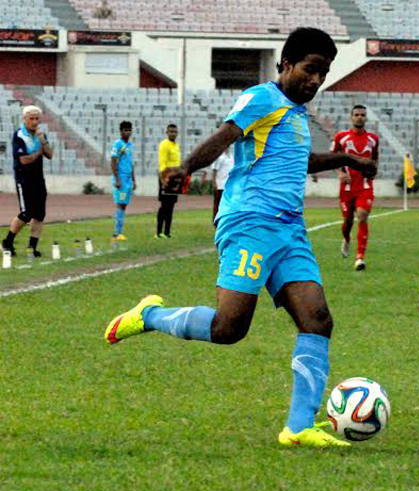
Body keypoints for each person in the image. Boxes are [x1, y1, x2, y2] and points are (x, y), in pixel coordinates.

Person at [104, 27, 377, 448]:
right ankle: (148, 316)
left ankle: (299, 427)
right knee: (229, 327)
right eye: (310, 70)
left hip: (289, 230)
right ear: (286, 65)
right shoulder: (261, 97)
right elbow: (224, 137)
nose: (316, 81)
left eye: (323, 73)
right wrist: (187, 168)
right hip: (250, 222)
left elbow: (295, 160)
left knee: (317, 319)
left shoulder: (296, 113)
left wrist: (346, 157)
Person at [331, 105, 379, 270]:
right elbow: (332, 158)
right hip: (347, 187)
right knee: (348, 222)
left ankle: (360, 258)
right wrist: (340, 173)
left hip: (365, 185)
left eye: (362, 115)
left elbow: (375, 159)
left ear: (366, 118)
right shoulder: (341, 137)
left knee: (362, 215)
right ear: (351, 117)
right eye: (357, 114)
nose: (359, 117)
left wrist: (373, 170)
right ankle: (346, 239)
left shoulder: (373, 139)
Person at [2, 105, 54, 257]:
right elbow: (24, 160)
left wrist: (43, 141)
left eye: (37, 118)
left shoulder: (40, 135)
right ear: (24, 119)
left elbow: (50, 155)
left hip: (38, 178)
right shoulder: (19, 135)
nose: (34, 122)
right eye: (31, 118)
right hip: (24, 178)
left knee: (39, 215)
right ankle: (7, 242)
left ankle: (32, 247)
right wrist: (39, 151)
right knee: (26, 214)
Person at [111, 121, 136, 240]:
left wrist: (134, 180)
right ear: (120, 131)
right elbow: (113, 161)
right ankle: (117, 233)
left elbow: (130, 163)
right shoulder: (118, 144)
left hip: (128, 180)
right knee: (120, 205)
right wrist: (117, 179)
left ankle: (119, 232)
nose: (128, 132)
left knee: (124, 205)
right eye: (125, 130)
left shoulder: (130, 145)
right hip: (120, 178)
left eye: (129, 130)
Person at [156, 123, 181, 238]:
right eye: (171, 131)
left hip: (175, 179)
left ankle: (167, 232)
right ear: (167, 133)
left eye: (175, 132)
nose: (173, 134)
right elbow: (162, 164)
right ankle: (158, 232)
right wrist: (164, 180)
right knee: (164, 206)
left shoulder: (176, 146)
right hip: (166, 178)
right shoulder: (164, 145)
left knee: (171, 205)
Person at [211, 147, 233, 223]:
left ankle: (225, 220)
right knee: (218, 204)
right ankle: (216, 221)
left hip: (229, 185)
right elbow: (214, 171)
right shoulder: (219, 157)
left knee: (227, 204)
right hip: (220, 185)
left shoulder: (231, 157)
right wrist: (214, 184)